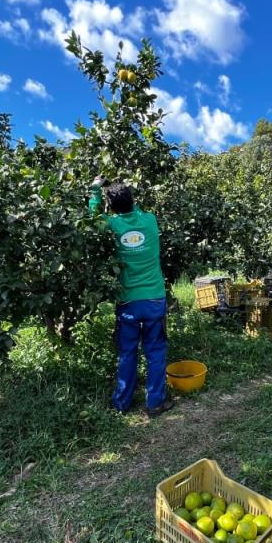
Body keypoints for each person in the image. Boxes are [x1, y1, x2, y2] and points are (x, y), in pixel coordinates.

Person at [89, 177, 174, 417]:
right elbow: (134, 208)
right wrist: (124, 191)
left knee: (127, 352)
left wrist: (97, 189)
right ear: (133, 200)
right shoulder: (149, 220)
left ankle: (122, 404)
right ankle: (154, 403)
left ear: (111, 206)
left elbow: (92, 217)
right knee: (155, 351)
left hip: (128, 301)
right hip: (154, 299)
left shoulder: (111, 225)